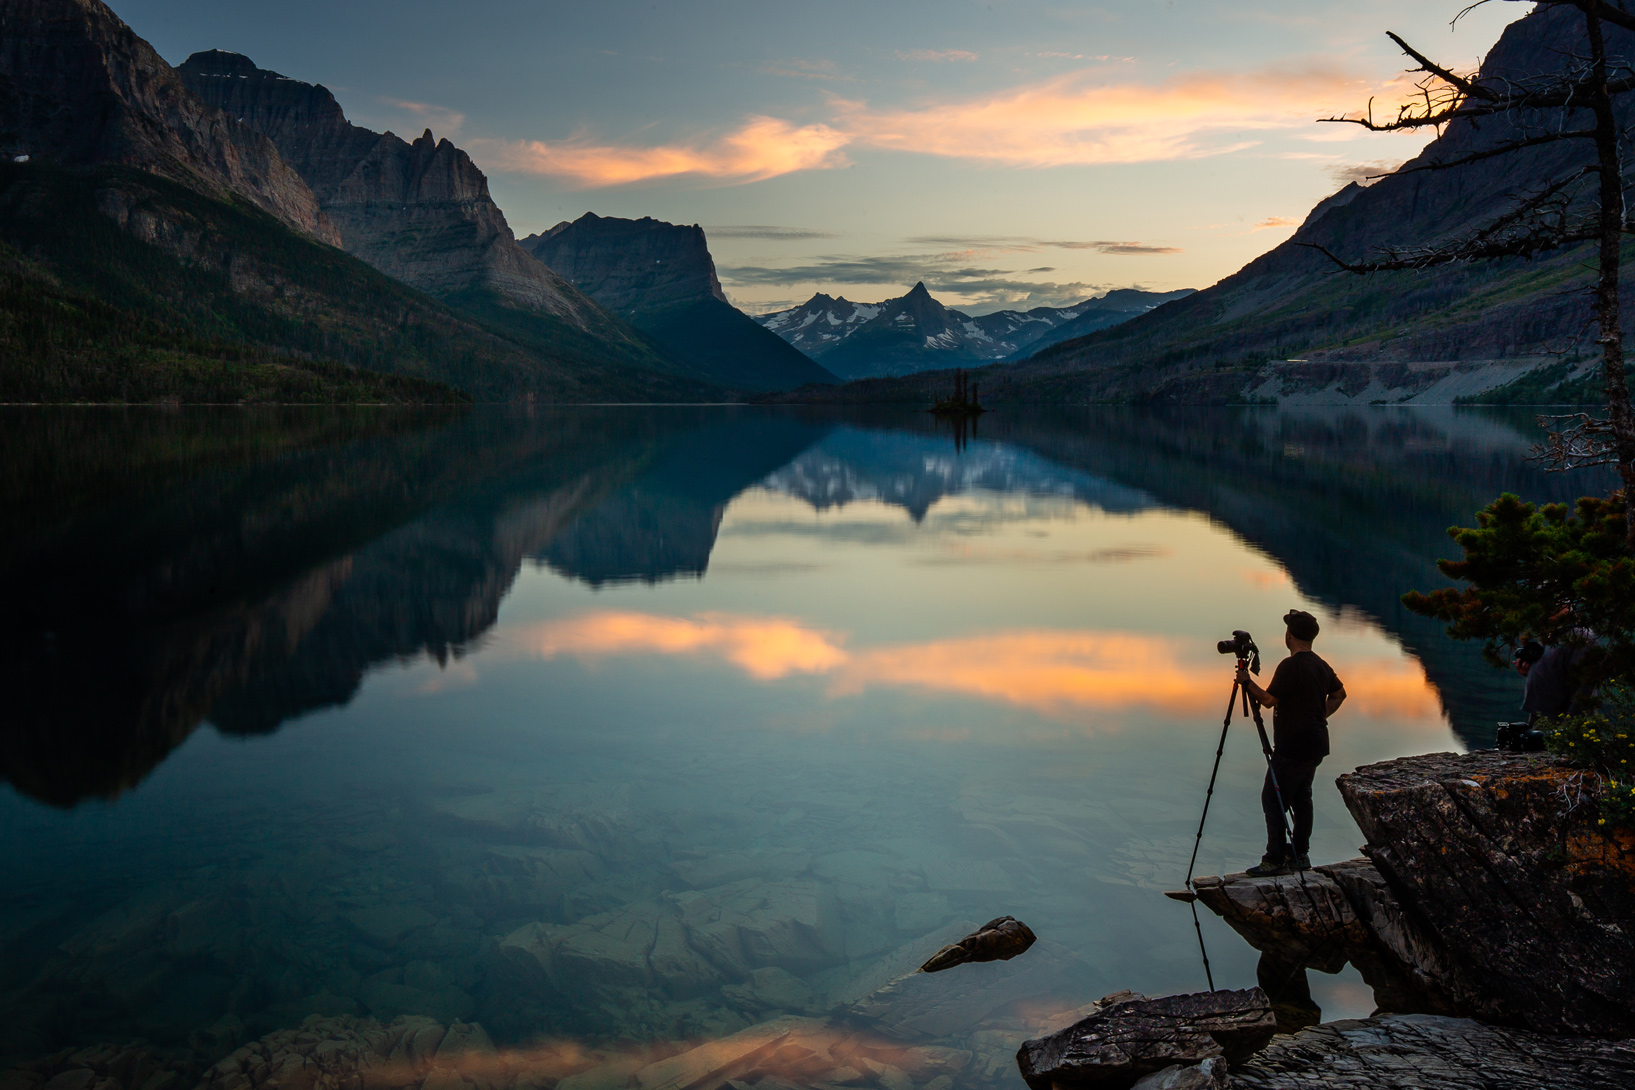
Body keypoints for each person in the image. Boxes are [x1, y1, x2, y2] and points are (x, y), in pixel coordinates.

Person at [1234, 609, 1346, 877]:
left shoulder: (1291, 665)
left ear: (1290, 635)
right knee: (1301, 796)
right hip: (1317, 743)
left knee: (1273, 799)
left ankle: (1275, 859)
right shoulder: (1320, 664)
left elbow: (1269, 699)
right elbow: (1340, 694)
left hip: (1293, 744)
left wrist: (1247, 682)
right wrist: (1320, 715)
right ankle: (1300, 855)